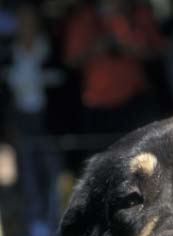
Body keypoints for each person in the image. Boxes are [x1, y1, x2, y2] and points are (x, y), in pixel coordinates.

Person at [5, 2, 63, 236]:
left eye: (29, 20)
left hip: (51, 126)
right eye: (21, 20)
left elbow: (64, 91)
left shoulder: (52, 50)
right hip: (20, 126)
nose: (24, 25)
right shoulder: (8, 54)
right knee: (27, 182)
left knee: (53, 182)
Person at [63, 0, 166, 138]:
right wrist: (94, 50)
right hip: (98, 104)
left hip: (135, 99)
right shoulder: (84, 18)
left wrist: (133, 48)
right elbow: (70, 60)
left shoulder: (137, 13)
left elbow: (161, 48)